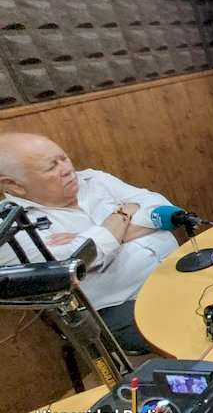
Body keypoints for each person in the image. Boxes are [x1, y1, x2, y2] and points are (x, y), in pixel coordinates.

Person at [0, 133, 180, 354]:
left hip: (174, 270)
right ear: (14, 185)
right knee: (194, 327)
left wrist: (101, 236)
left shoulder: (94, 179)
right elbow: (78, 260)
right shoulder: (11, 227)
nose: (67, 169)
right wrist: (124, 212)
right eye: (51, 167)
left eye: (64, 158)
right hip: (121, 305)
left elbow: (165, 211)